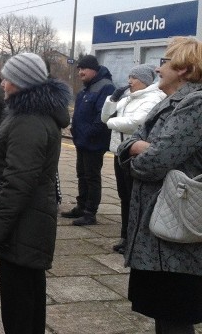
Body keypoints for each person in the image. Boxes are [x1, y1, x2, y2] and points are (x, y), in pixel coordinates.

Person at [117, 37, 202, 334]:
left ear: (185, 68)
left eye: (165, 61)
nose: (158, 67)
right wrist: (136, 148)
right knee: (163, 311)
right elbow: (129, 143)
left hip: (176, 230)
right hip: (157, 227)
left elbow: (154, 161)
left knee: (174, 313)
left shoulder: (196, 104)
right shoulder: (169, 102)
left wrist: (137, 152)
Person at [0, 52, 71, 334]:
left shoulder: (28, 119)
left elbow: (19, 181)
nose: (3, 83)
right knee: (29, 293)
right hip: (30, 219)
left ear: (21, 82)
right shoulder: (31, 114)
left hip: (22, 223)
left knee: (18, 300)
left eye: (7, 78)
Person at [100, 64, 164, 254]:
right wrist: (111, 100)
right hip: (120, 152)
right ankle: (125, 235)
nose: (129, 81)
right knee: (124, 195)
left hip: (135, 154)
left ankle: (134, 238)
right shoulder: (128, 98)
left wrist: (111, 123)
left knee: (134, 196)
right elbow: (105, 115)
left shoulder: (153, 98)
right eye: (129, 76)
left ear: (144, 80)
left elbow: (135, 123)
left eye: (134, 77)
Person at [61, 54, 115, 226]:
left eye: (83, 69)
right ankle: (81, 206)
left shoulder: (105, 87)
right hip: (82, 141)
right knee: (82, 175)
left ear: (93, 69)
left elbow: (103, 116)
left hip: (94, 142)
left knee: (91, 177)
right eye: (79, 69)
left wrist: (89, 132)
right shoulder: (87, 87)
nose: (80, 72)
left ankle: (90, 212)